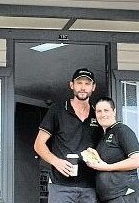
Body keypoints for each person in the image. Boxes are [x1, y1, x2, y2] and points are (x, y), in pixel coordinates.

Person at [34, 68, 102, 203]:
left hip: (90, 187)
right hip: (60, 187)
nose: (83, 87)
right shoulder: (57, 110)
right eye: (79, 83)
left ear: (93, 87)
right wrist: (55, 161)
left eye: (87, 84)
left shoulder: (98, 114)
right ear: (72, 85)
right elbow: (38, 144)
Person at [84, 97, 139, 203]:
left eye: (106, 110)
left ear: (114, 111)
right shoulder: (104, 135)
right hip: (107, 197)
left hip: (124, 195)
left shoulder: (122, 130)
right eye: (99, 111)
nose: (102, 114)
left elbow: (137, 161)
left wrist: (107, 167)